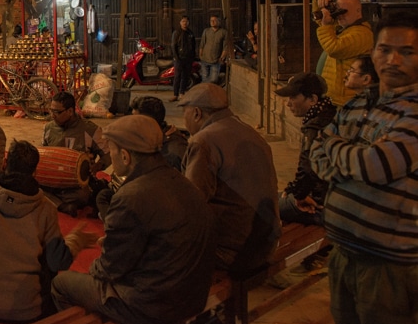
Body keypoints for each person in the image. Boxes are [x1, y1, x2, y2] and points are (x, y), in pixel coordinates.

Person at [51, 115, 215, 324]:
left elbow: (108, 270)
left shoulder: (131, 196)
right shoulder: (182, 183)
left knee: (61, 283)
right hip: (192, 296)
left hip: (153, 306)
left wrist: (102, 259)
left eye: (113, 150)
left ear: (126, 156)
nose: (111, 155)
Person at [310, 12, 418, 324]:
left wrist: (336, 146)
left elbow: (376, 166)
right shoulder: (357, 104)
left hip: (390, 266)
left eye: (408, 51)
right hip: (344, 253)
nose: (393, 59)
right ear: (373, 53)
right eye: (384, 49)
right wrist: (352, 155)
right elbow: (317, 158)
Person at [0, 140, 98, 323]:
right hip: (30, 309)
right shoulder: (46, 208)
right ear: (35, 173)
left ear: (5, 163)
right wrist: (75, 241)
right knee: (49, 260)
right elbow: (57, 262)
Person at [179, 83, 281, 273]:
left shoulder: (203, 141)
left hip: (234, 251)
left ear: (196, 113)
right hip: (266, 242)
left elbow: (193, 201)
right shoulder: (249, 131)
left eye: (184, 112)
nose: (183, 119)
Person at [274, 73, 336, 227]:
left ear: (313, 100)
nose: (288, 104)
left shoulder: (315, 127)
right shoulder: (333, 115)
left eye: (293, 97)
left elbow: (307, 168)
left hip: (320, 204)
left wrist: (299, 194)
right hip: (332, 198)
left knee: (261, 204)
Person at [41, 91, 111, 216]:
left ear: (70, 111)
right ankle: (62, 205)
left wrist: (96, 167)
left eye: (57, 112)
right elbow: (43, 154)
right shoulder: (49, 128)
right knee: (31, 186)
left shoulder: (90, 129)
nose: (52, 115)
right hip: (53, 179)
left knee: (82, 195)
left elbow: (108, 154)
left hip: (77, 184)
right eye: (51, 110)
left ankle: (57, 202)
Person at [312, 0, 374, 106]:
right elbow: (322, 22)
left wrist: (326, 26)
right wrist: (320, 2)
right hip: (334, 99)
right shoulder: (347, 29)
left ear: (358, 11)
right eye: (337, 11)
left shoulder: (362, 34)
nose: (339, 15)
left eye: (343, 12)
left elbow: (334, 49)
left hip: (347, 101)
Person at [132, 95, 188, 171]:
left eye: (136, 122)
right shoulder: (157, 139)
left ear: (150, 123)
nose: (133, 125)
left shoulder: (170, 154)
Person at [169, 16, 196, 102]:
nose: (185, 23)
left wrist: (192, 57)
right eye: (183, 21)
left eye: (186, 21)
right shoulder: (177, 33)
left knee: (185, 76)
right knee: (177, 76)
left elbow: (193, 45)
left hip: (188, 59)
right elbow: (173, 46)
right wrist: (176, 58)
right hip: (179, 58)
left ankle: (182, 93)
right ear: (180, 23)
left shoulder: (190, 33)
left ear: (188, 23)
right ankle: (175, 94)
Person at [199, 15, 228, 85]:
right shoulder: (206, 31)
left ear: (219, 21)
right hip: (205, 59)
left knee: (213, 79)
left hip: (215, 60)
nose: (212, 22)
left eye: (214, 20)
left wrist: (222, 57)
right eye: (211, 20)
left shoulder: (223, 32)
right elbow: (202, 44)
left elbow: (225, 47)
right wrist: (200, 55)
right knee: (204, 78)